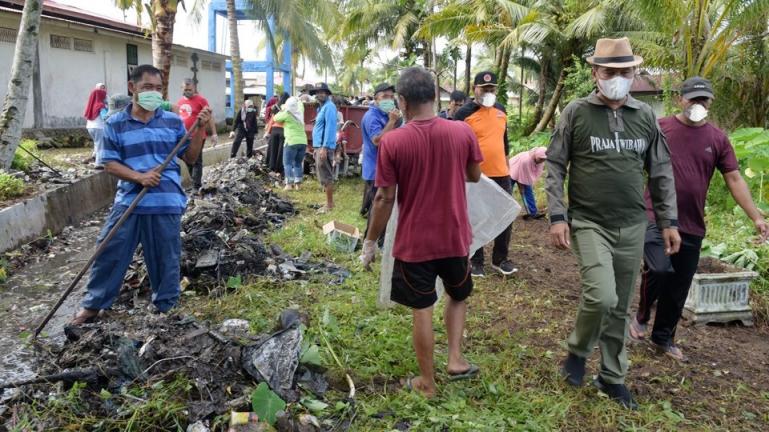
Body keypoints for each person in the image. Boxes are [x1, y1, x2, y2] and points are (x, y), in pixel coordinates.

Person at [546, 38, 680, 410]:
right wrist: (558, 215)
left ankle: (612, 376)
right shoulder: (576, 112)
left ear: (634, 73)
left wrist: (668, 220)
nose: (618, 78)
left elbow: (661, 171)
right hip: (589, 221)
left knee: (620, 307)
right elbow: (556, 164)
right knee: (601, 295)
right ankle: (577, 350)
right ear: (595, 73)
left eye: (625, 72)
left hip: (633, 224)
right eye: (610, 72)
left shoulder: (645, 117)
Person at [360, 67, 483, 398]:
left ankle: (427, 382)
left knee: (422, 309)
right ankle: (455, 358)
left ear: (402, 101)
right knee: (458, 295)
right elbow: (474, 175)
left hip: (415, 242)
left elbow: (385, 197)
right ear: (435, 96)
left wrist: (370, 241)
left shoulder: (394, 142)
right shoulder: (462, 132)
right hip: (455, 235)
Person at [630, 77, 769, 360]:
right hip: (654, 214)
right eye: (693, 99)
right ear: (681, 99)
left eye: (703, 100)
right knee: (657, 268)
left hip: (692, 222)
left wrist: (755, 216)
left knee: (679, 284)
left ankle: (663, 337)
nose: (698, 105)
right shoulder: (661, 127)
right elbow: (632, 163)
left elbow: (733, 177)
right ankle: (643, 313)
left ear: (710, 103)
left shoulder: (717, 138)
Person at [71, 65, 211, 324]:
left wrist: (199, 130)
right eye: (148, 88)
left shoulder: (172, 121)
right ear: (132, 87)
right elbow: (109, 163)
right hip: (130, 200)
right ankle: (93, 306)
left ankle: (165, 307)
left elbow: (190, 157)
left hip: (166, 199)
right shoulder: (115, 123)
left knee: (165, 256)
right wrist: (139, 177)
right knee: (109, 250)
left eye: (158, 89)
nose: (154, 93)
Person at [454, 71, 516, 277]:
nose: (488, 92)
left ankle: (500, 259)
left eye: (492, 89)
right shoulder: (463, 114)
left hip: (502, 173)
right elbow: (456, 146)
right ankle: (476, 260)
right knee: (475, 216)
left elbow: (504, 142)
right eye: (484, 89)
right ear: (475, 89)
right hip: (475, 175)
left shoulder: (501, 111)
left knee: (506, 216)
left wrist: (508, 167)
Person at [360, 82, 402, 243]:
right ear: (376, 99)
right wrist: (392, 122)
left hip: (386, 169)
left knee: (385, 207)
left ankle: (381, 240)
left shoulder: (387, 114)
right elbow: (377, 140)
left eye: (392, 97)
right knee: (376, 208)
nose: (389, 100)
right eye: (385, 97)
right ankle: (369, 241)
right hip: (375, 170)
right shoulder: (372, 117)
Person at [177, 79, 217, 194]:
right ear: (181, 89)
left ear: (194, 88)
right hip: (184, 136)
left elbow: (209, 117)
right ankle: (194, 182)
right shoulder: (179, 102)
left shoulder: (201, 100)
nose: (188, 92)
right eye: (185, 90)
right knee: (188, 160)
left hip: (198, 136)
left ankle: (196, 186)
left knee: (197, 160)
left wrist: (214, 134)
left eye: (190, 89)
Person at [310, 83, 338, 212]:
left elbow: (330, 128)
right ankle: (327, 202)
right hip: (319, 146)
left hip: (324, 146)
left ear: (327, 94)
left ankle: (330, 204)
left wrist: (324, 147)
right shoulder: (321, 108)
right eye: (317, 92)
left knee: (326, 175)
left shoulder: (330, 107)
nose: (319, 94)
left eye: (322, 92)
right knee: (322, 175)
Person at [275, 96, 308, 190]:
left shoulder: (286, 114)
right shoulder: (300, 112)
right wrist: (297, 99)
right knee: (298, 163)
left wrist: (283, 108)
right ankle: (298, 185)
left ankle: (289, 184)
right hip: (303, 142)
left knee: (288, 163)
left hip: (291, 141)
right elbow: (300, 104)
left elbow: (276, 118)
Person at [508, 147, 547, 219]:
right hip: (512, 171)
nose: (542, 161)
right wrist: (521, 188)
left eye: (544, 159)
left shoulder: (540, 161)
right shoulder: (526, 160)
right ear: (537, 155)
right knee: (507, 192)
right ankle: (505, 213)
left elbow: (536, 174)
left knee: (529, 192)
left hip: (524, 173)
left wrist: (526, 185)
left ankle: (533, 213)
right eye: (541, 159)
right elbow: (521, 177)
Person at [84, 83, 108, 169]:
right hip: (99, 127)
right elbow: (105, 117)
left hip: (90, 127)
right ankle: (99, 163)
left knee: (96, 143)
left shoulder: (91, 104)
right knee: (101, 145)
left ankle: (94, 157)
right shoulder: (100, 105)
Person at [265, 92, 290, 175]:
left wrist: (268, 132)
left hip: (274, 130)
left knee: (273, 149)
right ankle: (279, 169)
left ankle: (271, 167)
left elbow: (272, 120)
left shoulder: (275, 107)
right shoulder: (288, 107)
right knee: (281, 151)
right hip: (284, 130)